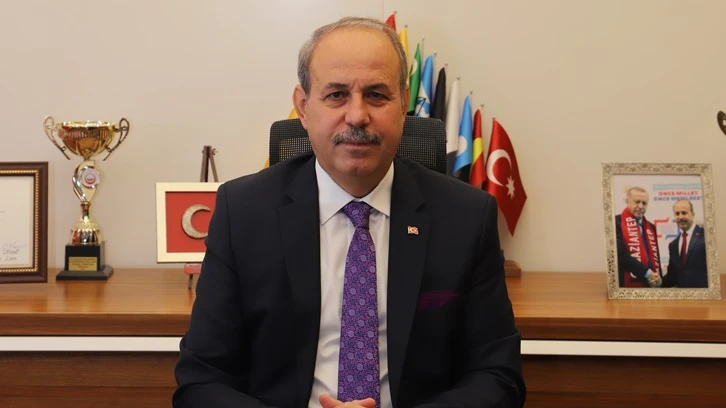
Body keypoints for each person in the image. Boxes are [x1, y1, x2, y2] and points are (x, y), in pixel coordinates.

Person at [173, 16, 525, 408]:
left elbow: (498, 376)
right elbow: (201, 380)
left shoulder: (466, 217)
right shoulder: (242, 213)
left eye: (376, 95)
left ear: (403, 104)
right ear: (303, 107)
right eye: (337, 95)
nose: (357, 116)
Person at [615, 187, 663, 287]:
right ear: (627, 201)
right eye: (637, 202)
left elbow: (656, 258)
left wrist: (657, 278)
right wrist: (648, 273)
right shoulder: (615, 222)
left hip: (650, 284)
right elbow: (619, 255)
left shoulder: (651, 227)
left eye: (644, 203)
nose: (641, 206)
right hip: (626, 285)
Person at [662, 199, 708, 288]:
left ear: (693, 214)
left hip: (705, 294)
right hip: (683, 295)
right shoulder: (673, 245)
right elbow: (672, 277)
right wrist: (657, 283)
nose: (680, 217)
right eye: (677, 214)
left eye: (684, 213)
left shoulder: (706, 236)